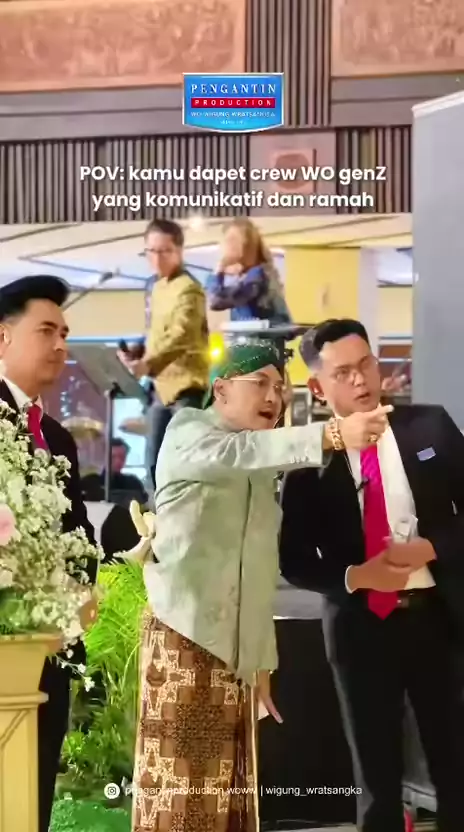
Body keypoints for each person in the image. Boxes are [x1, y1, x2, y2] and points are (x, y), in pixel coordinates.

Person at [130, 340, 393, 832]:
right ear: (221, 390)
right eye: (261, 384)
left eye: (281, 387)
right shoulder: (190, 433)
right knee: (183, 794)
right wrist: (334, 433)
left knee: (229, 794)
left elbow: (257, 570)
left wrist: (261, 660)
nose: (274, 397)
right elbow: (240, 452)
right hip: (185, 639)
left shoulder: (257, 466)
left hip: (236, 655)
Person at [279, 318, 464, 832]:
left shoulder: (430, 428)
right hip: (360, 631)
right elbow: (293, 559)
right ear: (318, 386)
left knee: (456, 769)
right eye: (343, 373)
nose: (360, 380)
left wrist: (432, 547)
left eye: (366, 364)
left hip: (439, 620)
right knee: (377, 784)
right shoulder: (307, 462)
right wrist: (357, 577)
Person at [0, 275, 98, 832]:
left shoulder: (57, 438)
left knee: (34, 793)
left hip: (50, 649)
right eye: (46, 331)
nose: (61, 345)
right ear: (3, 337)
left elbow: (76, 532)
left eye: (65, 333)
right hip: (5, 645)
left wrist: (83, 594)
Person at [118, 218, 209, 492]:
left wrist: (146, 364)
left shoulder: (189, 288)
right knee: (153, 467)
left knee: (183, 466)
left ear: (179, 251)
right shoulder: (155, 287)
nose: (157, 258)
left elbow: (181, 335)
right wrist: (136, 352)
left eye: (165, 251)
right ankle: (155, 517)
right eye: (151, 251)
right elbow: (156, 333)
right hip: (160, 388)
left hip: (186, 388)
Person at [206, 217, 292, 324]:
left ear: (247, 245)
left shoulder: (258, 274)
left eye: (232, 240)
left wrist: (219, 268)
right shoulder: (245, 276)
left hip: (264, 334)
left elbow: (216, 302)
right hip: (252, 333)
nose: (226, 246)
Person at [80, 437, 148, 506]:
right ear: (104, 457)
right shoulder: (89, 483)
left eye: (122, 457)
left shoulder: (133, 483)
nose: (118, 461)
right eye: (113, 457)